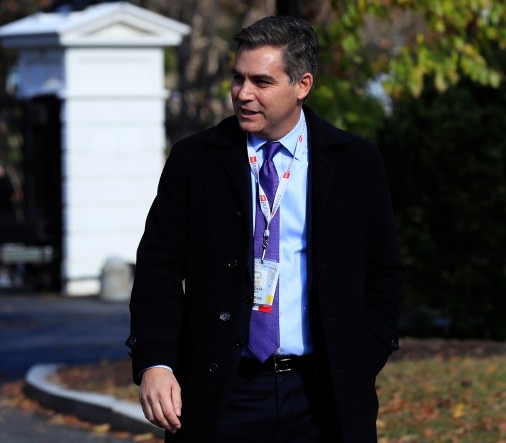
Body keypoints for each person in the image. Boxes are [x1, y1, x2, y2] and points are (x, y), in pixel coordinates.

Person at [126, 16, 404, 443]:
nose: (243, 93)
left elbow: (384, 272)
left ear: (303, 85)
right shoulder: (194, 161)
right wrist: (156, 363)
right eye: (237, 78)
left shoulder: (355, 163)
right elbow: (156, 272)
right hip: (221, 392)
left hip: (322, 396)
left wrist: (362, 355)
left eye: (261, 81)